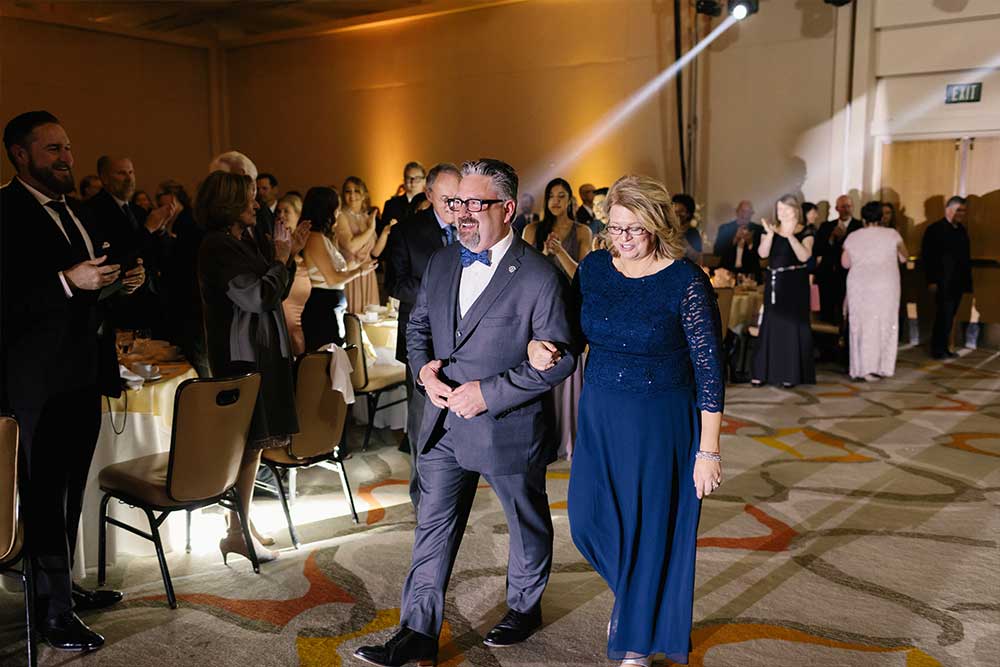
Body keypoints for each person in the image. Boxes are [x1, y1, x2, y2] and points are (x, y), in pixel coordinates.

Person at [354, 158, 578, 667]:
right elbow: (418, 329)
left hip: (507, 425)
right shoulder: (442, 261)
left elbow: (558, 359)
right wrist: (424, 375)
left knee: (525, 519)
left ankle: (524, 606)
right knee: (433, 525)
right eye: (456, 204)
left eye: (474, 204)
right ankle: (417, 633)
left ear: (507, 209)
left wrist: (488, 393)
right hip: (441, 423)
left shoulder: (539, 275)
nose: (461, 215)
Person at [528, 174, 723, 666]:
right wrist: (540, 346)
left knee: (652, 526)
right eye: (615, 228)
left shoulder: (686, 282)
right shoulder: (594, 269)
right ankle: (638, 600)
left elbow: (710, 373)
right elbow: (569, 334)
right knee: (588, 519)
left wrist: (708, 450)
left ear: (657, 225)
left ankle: (636, 632)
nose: (624, 239)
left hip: (663, 421)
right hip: (601, 412)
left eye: (635, 228)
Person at [1, 111, 144, 652]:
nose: (67, 157)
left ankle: (63, 590)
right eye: (53, 149)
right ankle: (52, 613)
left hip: (83, 374)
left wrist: (119, 284)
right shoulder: (5, 210)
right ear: (20, 154)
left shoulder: (79, 213)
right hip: (35, 385)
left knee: (69, 493)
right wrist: (67, 280)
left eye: (68, 147)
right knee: (39, 498)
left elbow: (87, 294)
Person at [196, 171, 310, 565]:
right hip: (242, 354)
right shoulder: (216, 247)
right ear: (228, 204)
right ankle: (236, 531)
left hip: (261, 350)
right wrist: (280, 259)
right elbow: (259, 296)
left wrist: (288, 256)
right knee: (245, 445)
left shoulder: (241, 239)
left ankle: (240, 526)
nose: (256, 204)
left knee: (253, 446)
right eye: (248, 199)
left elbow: (275, 288)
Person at [383, 162, 462, 509]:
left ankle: (456, 488)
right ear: (429, 195)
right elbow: (395, 283)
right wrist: (439, 292)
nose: (454, 207)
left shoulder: (470, 227)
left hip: (463, 339)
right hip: (422, 340)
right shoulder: (407, 231)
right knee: (421, 424)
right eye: (447, 199)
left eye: (458, 199)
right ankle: (422, 498)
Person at [523, 177, 592, 459]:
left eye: (562, 196)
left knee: (567, 369)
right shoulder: (531, 229)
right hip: (539, 309)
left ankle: (568, 437)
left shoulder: (581, 231)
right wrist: (542, 253)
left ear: (570, 201)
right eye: (551, 195)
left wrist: (560, 252)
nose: (556, 201)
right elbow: (523, 270)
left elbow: (583, 275)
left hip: (569, 308)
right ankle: (542, 438)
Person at [88, 155, 178, 332]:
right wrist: (147, 230)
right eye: (121, 173)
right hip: (117, 306)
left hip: (149, 303)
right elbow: (115, 255)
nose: (129, 178)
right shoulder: (93, 211)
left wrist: (161, 229)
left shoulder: (137, 211)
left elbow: (158, 256)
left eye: (131, 172)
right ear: (104, 178)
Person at [300, 186, 376, 350]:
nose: (339, 213)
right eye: (337, 208)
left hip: (332, 305)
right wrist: (359, 271)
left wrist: (357, 264)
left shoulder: (323, 237)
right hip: (323, 307)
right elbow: (332, 278)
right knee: (328, 360)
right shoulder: (314, 238)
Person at [752, 194, 816, 387]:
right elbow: (762, 254)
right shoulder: (771, 229)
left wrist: (790, 237)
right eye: (779, 210)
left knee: (791, 325)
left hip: (795, 282)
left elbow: (805, 256)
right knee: (771, 323)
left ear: (796, 210)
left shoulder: (806, 231)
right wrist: (770, 235)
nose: (782, 213)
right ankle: (764, 372)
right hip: (774, 281)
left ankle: (790, 373)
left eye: (786, 210)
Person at [842, 201, 908, 380]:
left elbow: (845, 263)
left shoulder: (853, 236)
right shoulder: (892, 234)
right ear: (881, 217)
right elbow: (904, 257)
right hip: (886, 285)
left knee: (862, 325)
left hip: (860, 285)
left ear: (863, 218)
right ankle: (882, 367)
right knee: (884, 323)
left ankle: (861, 368)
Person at [921, 196, 972, 359]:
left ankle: (944, 348)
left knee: (949, 316)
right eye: (959, 210)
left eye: (963, 210)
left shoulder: (962, 230)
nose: (961, 214)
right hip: (942, 282)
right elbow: (928, 257)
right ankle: (938, 349)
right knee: (943, 315)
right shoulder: (935, 229)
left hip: (957, 282)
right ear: (949, 210)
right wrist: (931, 280)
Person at [339, 176, 393, 312]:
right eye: (348, 191)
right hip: (352, 272)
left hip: (368, 274)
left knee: (370, 319)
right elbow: (351, 246)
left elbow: (375, 252)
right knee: (354, 320)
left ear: (363, 195)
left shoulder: (365, 217)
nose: (352, 195)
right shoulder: (341, 216)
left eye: (356, 191)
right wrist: (370, 229)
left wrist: (385, 233)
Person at [814, 194, 861, 325]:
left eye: (849, 206)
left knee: (846, 312)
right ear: (837, 208)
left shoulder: (859, 227)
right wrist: (831, 238)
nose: (846, 209)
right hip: (828, 275)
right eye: (843, 207)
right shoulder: (826, 226)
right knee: (826, 312)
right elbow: (817, 249)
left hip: (848, 275)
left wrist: (844, 237)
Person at [276, 193, 312, 356]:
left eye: (286, 211)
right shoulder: (275, 244)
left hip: (305, 314)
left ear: (298, 215)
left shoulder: (307, 243)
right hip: (284, 313)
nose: (281, 216)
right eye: (278, 212)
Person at [716, 200, 763, 281]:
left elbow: (761, 256)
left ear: (752, 214)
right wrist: (734, 239)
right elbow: (717, 251)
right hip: (727, 272)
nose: (745, 215)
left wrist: (750, 243)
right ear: (737, 212)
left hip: (750, 274)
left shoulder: (758, 230)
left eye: (748, 212)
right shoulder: (725, 229)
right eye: (742, 211)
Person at [381, 161, 428, 235]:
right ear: (404, 180)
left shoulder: (430, 203)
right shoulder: (391, 204)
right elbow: (383, 232)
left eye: (417, 178)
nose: (413, 182)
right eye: (409, 178)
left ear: (424, 181)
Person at [672, 193, 702, 264]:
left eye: (681, 211)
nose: (677, 215)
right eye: (675, 211)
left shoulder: (692, 233)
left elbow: (696, 257)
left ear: (688, 214)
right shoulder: (669, 231)